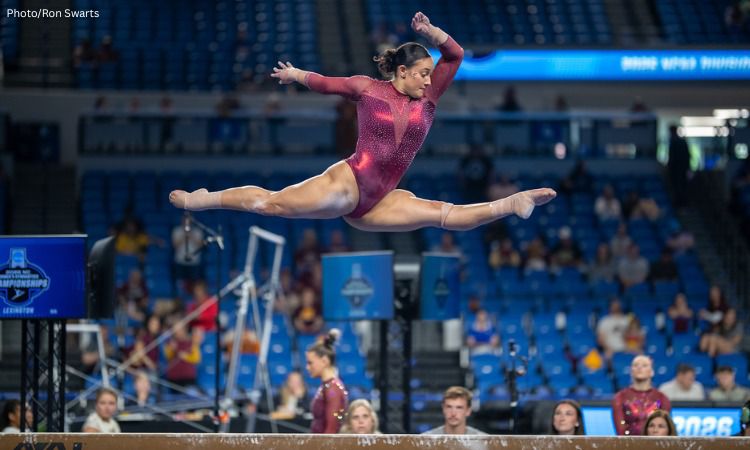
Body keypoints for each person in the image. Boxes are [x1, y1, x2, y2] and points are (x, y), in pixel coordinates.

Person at [169, 12, 555, 233]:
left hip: (380, 200)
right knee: (272, 206)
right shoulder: (368, 89)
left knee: (446, 214)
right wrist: (296, 75)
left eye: (429, 74)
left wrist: (431, 33)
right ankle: (204, 199)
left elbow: (454, 55)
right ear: (402, 72)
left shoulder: (430, 97)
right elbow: (327, 84)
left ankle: (513, 202)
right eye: (422, 73)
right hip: (350, 182)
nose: (428, 80)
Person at [612, 355, 671, 435]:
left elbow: (665, 430)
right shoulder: (620, 397)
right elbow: (621, 431)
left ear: (652, 372)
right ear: (631, 371)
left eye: (644, 365)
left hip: (654, 442)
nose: (639, 368)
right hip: (628, 442)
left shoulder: (662, 398)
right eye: (636, 365)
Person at [306, 329, 348, 433]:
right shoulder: (327, 386)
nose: (307, 367)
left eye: (310, 363)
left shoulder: (333, 389)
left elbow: (331, 430)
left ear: (324, 361)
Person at [667, 125, 691, 209]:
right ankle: (682, 204)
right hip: (682, 169)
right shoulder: (682, 141)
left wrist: (669, 167)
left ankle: (680, 205)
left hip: (676, 170)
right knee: (681, 187)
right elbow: (688, 156)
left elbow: (672, 157)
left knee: (678, 187)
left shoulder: (674, 142)